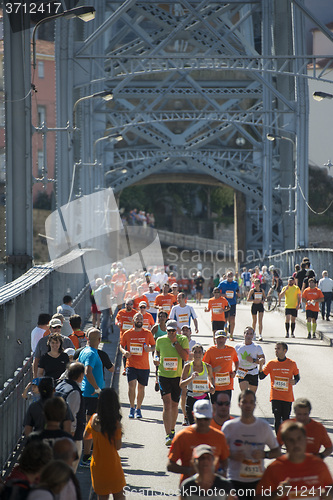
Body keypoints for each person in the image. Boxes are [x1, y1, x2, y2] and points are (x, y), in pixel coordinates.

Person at [222, 389, 281, 499]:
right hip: (234, 479)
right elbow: (219, 452)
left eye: (251, 402)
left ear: (255, 405)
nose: (248, 405)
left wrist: (264, 455)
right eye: (244, 402)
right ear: (239, 404)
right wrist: (232, 455)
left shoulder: (263, 427)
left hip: (257, 480)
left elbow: (277, 451)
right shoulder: (229, 426)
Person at [256, 421, 333, 500]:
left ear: (305, 440)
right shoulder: (274, 468)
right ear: (285, 443)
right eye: (291, 440)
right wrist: (277, 494)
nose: (296, 444)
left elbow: (330, 487)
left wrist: (328, 494)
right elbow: (258, 497)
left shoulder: (318, 465)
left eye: (299, 439)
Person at [167, 400, 229, 485]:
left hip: (214, 488)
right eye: (199, 418)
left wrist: (219, 475)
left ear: (212, 416)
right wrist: (190, 471)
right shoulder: (182, 436)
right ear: (193, 415)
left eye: (206, 419)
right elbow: (170, 465)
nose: (203, 422)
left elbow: (225, 462)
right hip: (190, 488)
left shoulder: (219, 437)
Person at [83, 388, 126, 500]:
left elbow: (86, 437)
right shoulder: (115, 424)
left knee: (102, 497)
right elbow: (118, 447)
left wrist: (87, 454)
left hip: (97, 465)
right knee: (119, 495)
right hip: (112, 465)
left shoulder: (93, 419)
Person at [154, 319, 189, 445]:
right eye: (169, 331)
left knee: (174, 405)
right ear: (166, 330)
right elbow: (156, 352)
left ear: (177, 330)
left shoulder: (183, 339)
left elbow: (185, 357)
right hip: (163, 375)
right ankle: (168, 434)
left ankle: (173, 429)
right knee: (166, 403)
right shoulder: (160, 340)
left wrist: (175, 343)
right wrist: (155, 358)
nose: (172, 333)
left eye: (174, 330)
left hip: (177, 376)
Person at [119, 312, 155, 419]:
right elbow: (121, 345)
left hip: (144, 366)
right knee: (131, 386)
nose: (139, 320)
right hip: (131, 364)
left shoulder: (148, 333)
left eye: (141, 319)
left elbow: (154, 346)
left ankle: (138, 408)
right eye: (137, 318)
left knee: (141, 388)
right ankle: (131, 407)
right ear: (133, 320)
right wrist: (124, 352)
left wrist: (150, 349)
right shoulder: (127, 333)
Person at [259, 342, 300, 434]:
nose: (276, 351)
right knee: (277, 418)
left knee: (286, 419)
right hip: (275, 396)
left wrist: (295, 381)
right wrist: (260, 365)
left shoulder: (291, 363)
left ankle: (286, 439)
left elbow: (297, 377)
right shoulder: (271, 363)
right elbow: (261, 376)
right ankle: (278, 441)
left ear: (285, 351)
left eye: (278, 349)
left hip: (287, 397)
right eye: (275, 349)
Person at [78, 328, 105, 466]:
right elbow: (88, 372)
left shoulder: (84, 351)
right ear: (99, 340)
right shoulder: (92, 354)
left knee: (92, 425)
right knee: (91, 426)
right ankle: (86, 457)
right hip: (92, 394)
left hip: (89, 393)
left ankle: (89, 453)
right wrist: (97, 388)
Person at [55, 362, 86, 472]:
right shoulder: (74, 391)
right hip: (71, 435)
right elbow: (72, 415)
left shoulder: (60, 386)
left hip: (57, 431)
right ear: (81, 375)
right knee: (70, 467)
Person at [180, 344, 215, 425]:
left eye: (200, 352)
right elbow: (181, 385)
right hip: (191, 398)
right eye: (195, 352)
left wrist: (212, 386)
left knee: (205, 426)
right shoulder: (188, 367)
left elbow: (211, 379)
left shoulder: (207, 367)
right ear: (192, 353)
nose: (198, 354)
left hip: (204, 398)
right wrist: (191, 378)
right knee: (193, 427)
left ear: (203, 354)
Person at [203, 331, 239, 403]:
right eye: (219, 338)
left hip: (227, 385)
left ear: (226, 339)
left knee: (226, 408)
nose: (221, 340)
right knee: (215, 409)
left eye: (223, 338)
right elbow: (203, 367)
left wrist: (235, 371)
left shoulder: (231, 350)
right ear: (215, 339)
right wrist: (212, 370)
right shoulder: (210, 351)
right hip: (215, 386)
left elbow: (236, 361)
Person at [235, 326, 265, 394]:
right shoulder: (237, 346)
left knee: (251, 395)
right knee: (244, 394)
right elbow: (234, 359)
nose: (248, 335)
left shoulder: (257, 347)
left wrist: (253, 360)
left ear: (253, 336)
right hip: (242, 371)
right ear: (244, 334)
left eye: (251, 334)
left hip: (253, 371)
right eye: (247, 333)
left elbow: (263, 361)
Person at [218, 271, 240, 340]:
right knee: (225, 320)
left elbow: (237, 291)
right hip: (224, 304)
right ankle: (225, 330)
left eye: (231, 276)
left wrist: (238, 294)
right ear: (226, 276)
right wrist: (223, 295)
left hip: (233, 303)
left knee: (232, 320)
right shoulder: (222, 283)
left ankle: (231, 335)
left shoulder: (235, 283)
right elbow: (216, 292)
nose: (230, 277)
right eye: (229, 276)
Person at [94, 275, 113, 342]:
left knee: (104, 321)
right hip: (106, 307)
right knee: (105, 322)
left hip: (101, 306)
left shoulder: (102, 286)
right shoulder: (107, 288)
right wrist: (110, 308)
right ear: (110, 280)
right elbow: (108, 299)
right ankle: (104, 337)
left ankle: (104, 336)